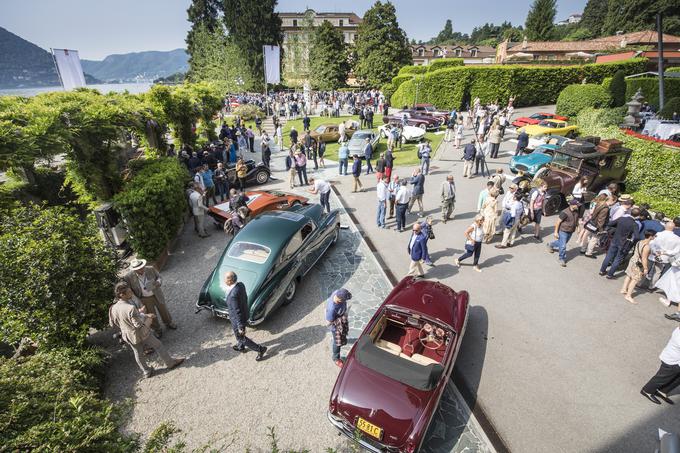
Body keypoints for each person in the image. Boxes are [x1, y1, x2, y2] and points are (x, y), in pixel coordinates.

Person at [109, 281, 184, 378]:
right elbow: (138, 325)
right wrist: (149, 318)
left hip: (128, 336)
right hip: (142, 333)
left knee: (138, 354)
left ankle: (146, 371)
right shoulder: (130, 308)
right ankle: (170, 363)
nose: (131, 292)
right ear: (122, 295)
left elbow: (113, 323)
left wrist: (137, 316)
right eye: (129, 291)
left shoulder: (113, 308)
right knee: (158, 345)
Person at [223, 271, 267, 360]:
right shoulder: (240, 285)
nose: (224, 280)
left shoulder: (233, 296)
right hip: (244, 314)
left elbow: (237, 311)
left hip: (237, 319)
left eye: (225, 278)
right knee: (241, 338)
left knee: (241, 337)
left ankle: (260, 349)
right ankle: (240, 346)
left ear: (230, 281)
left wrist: (240, 326)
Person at [640, 326, 680, 404]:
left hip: (676, 360)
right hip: (672, 361)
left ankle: (662, 391)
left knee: (677, 378)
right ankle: (647, 390)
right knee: (662, 378)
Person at [599, 207, 641, 279]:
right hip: (624, 243)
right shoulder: (635, 224)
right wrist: (631, 241)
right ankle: (610, 274)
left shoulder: (621, 218)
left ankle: (602, 270)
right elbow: (637, 236)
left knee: (609, 256)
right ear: (638, 215)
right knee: (618, 259)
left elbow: (610, 223)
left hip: (615, 239)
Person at [621, 230, 653, 304]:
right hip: (638, 264)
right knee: (635, 279)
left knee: (629, 275)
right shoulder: (647, 246)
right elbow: (644, 258)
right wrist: (645, 268)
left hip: (633, 260)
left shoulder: (640, 241)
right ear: (650, 237)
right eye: (654, 236)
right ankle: (628, 295)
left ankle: (623, 289)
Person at [547, 199, 581, 267]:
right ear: (572, 205)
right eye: (576, 205)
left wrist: (578, 227)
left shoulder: (576, 211)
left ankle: (550, 244)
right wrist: (556, 232)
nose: (578, 206)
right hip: (563, 231)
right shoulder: (565, 212)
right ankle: (561, 258)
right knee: (563, 246)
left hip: (570, 231)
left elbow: (576, 220)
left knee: (562, 242)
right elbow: (558, 222)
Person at [650, 221, 680, 291]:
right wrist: (665, 252)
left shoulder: (658, 234)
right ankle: (651, 286)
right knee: (657, 271)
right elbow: (676, 251)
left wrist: (655, 251)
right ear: (673, 228)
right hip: (664, 257)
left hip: (653, 254)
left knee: (646, 268)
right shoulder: (677, 239)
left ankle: (639, 283)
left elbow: (651, 243)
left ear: (665, 226)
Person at [325, 288, 352, 368]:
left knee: (342, 336)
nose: (345, 301)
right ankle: (336, 358)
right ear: (340, 300)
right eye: (345, 300)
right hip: (335, 327)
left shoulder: (337, 292)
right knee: (337, 343)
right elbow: (328, 322)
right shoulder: (332, 309)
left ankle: (343, 339)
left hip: (340, 318)